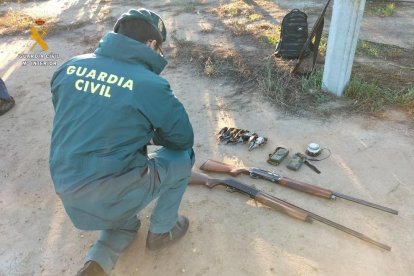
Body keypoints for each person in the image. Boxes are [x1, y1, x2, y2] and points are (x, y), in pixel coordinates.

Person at [49, 8, 195, 276]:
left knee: (121, 211)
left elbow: (76, 120)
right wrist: (150, 134)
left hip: (68, 190)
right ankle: (163, 231)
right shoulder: (150, 84)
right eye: (160, 48)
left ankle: (99, 260)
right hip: (112, 193)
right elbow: (183, 139)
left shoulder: (69, 67)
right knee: (183, 156)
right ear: (152, 44)